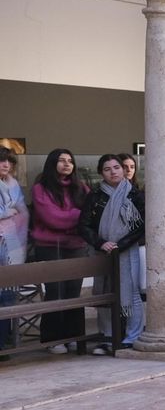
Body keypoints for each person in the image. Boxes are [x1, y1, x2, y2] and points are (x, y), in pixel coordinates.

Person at [79, 155, 146, 352]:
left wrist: (121, 244)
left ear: (123, 170)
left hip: (128, 251)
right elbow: (83, 226)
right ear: (101, 173)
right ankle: (108, 337)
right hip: (103, 252)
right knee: (104, 292)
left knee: (132, 292)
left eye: (116, 167)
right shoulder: (95, 196)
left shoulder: (134, 194)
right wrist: (101, 243)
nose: (113, 171)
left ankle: (132, 335)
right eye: (107, 169)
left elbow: (142, 226)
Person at [30, 148, 90, 352]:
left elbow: (90, 215)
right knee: (55, 291)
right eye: (61, 160)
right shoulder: (40, 188)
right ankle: (52, 339)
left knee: (74, 291)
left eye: (70, 161)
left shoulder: (81, 187)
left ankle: (74, 336)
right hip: (49, 247)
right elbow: (52, 219)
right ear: (52, 163)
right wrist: (77, 216)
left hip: (76, 246)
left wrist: (72, 218)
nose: (67, 164)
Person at [0, 148, 28, 350]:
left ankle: (5, 340)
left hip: (12, 244)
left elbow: (22, 212)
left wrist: (8, 213)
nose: (5, 165)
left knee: (8, 294)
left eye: (9, 161)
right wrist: (7, 212)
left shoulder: (14, 184)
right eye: (1, 161)